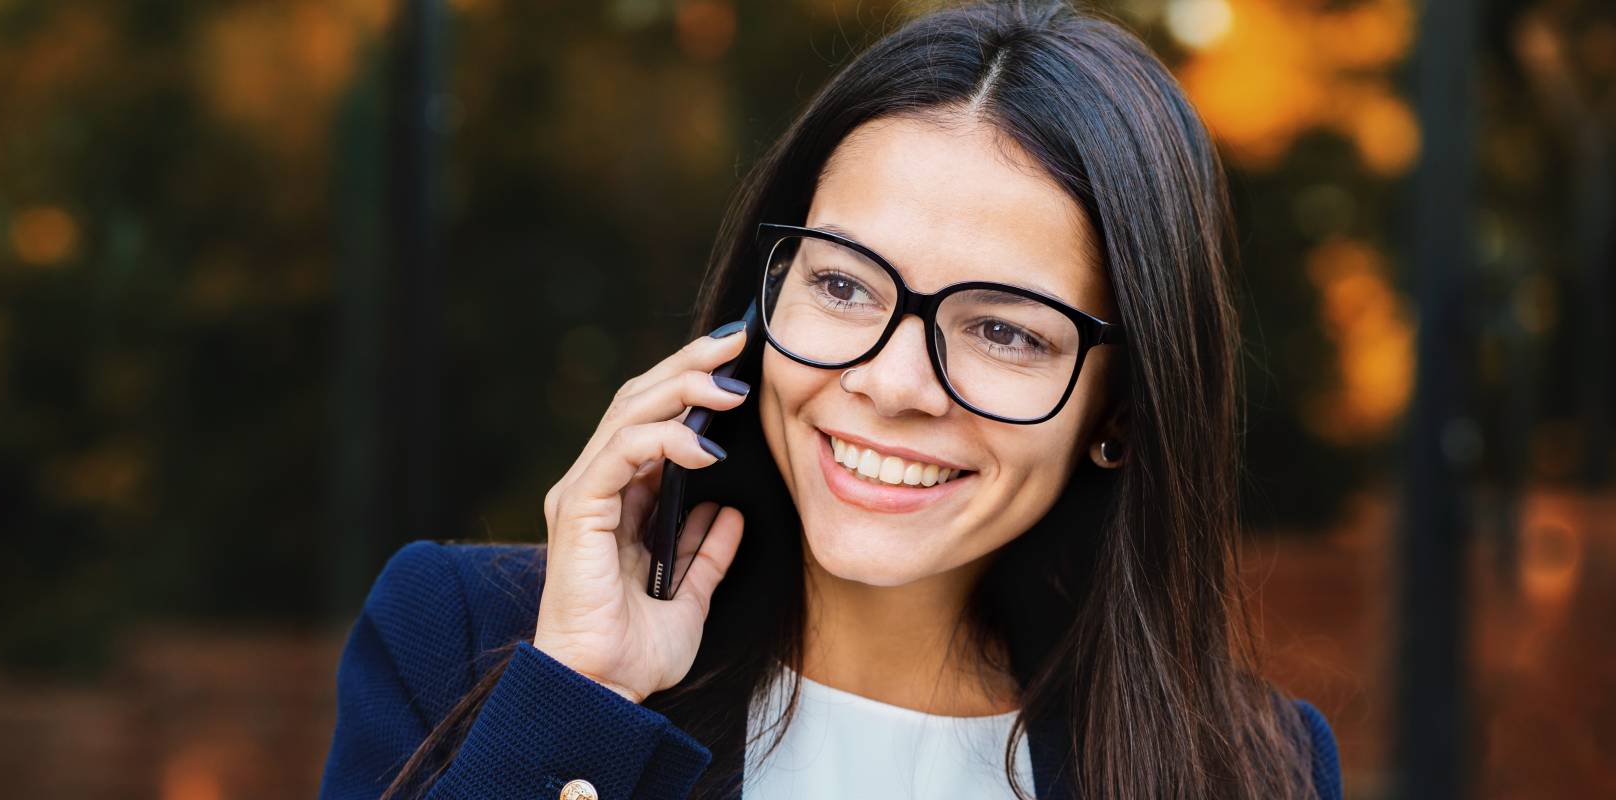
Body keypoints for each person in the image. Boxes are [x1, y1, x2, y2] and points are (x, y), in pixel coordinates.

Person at [319, 2, 1342, 798]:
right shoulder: (471, 640)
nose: (890, 383)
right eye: (843, 284)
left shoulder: (1256, 766)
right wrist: (574, 700)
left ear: (1119, 412)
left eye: (1003, 331)